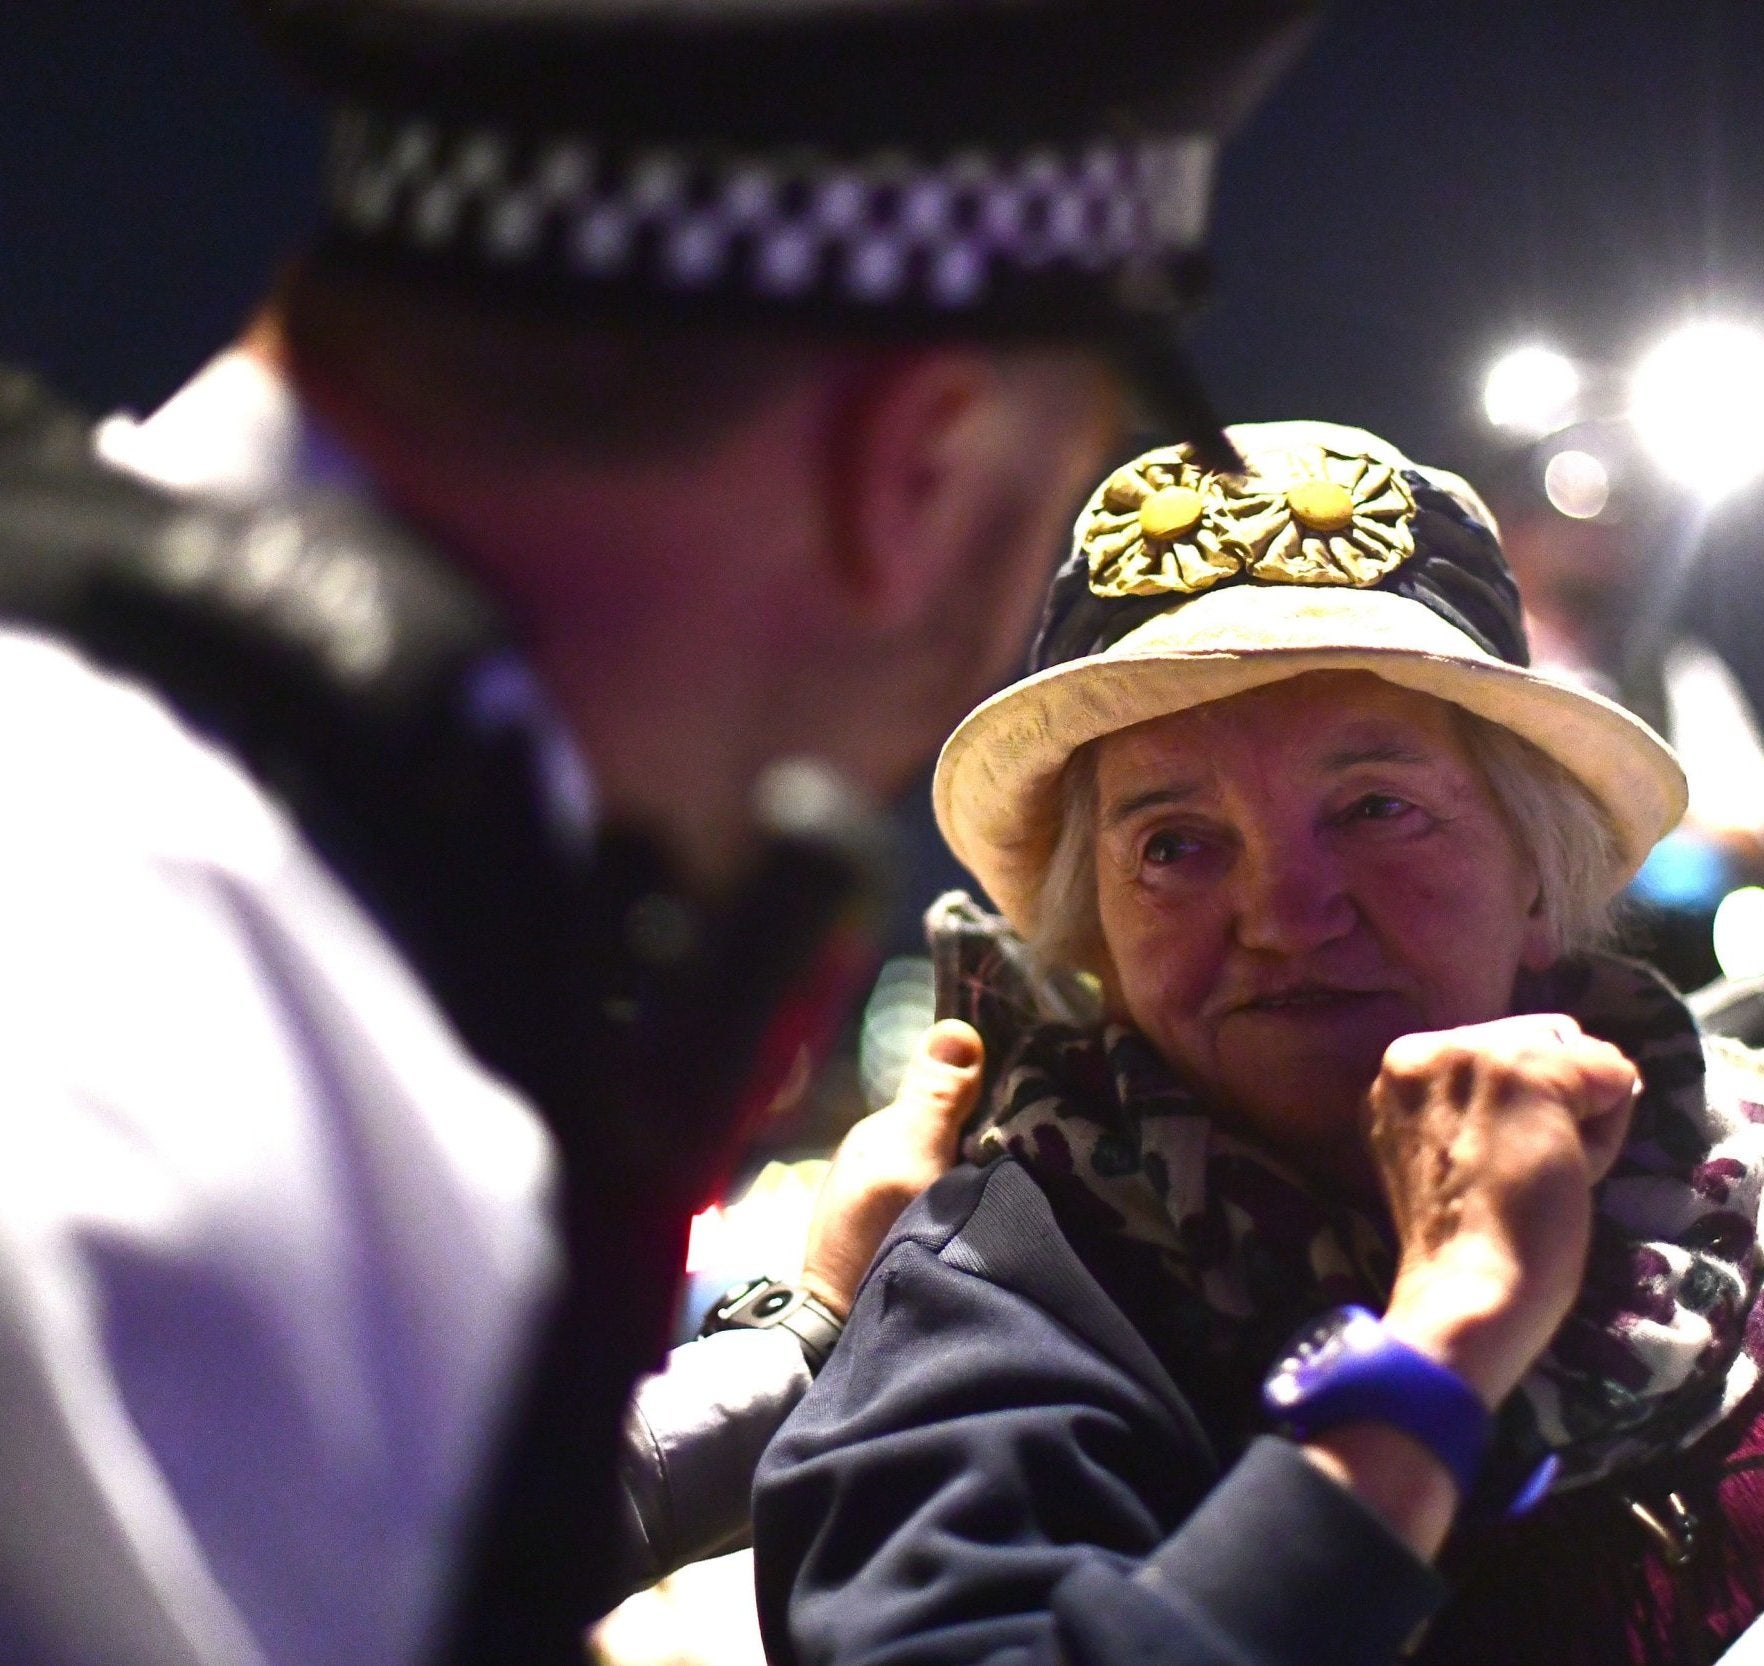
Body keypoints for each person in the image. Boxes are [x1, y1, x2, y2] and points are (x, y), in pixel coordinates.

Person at [0, 3, 1320, 1662]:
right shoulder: (191, 1120)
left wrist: (801, 1336)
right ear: (911, 472)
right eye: (1058, 489)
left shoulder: (171, 838)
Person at [753, 422, 1764, 1666]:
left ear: (1540, 876)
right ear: (1097, 925)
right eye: (1176, 841)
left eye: (1376, 807)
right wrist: (1443, 1339)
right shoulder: (1015, 1279)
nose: (1280, 911)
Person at [1480, 417, 1764, 988]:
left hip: (1663, 969)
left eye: (1613, 525)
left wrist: (1613, 838)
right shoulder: (1473, 667)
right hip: (1508, 977)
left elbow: (1752, 828)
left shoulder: (1672, 669)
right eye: (1564, 523)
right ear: (1509, 527)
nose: (1594, 542)